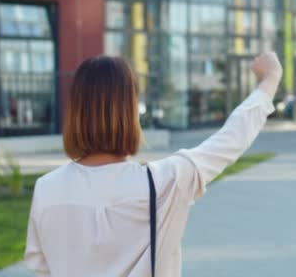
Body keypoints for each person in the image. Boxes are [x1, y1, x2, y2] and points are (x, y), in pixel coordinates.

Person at [23, 52, 282, 276]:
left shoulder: (47, 189)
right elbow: (231, 138)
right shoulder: (165, 182)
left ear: (75, 110)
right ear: (129, 111)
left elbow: (44, 269)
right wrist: (269, 80)